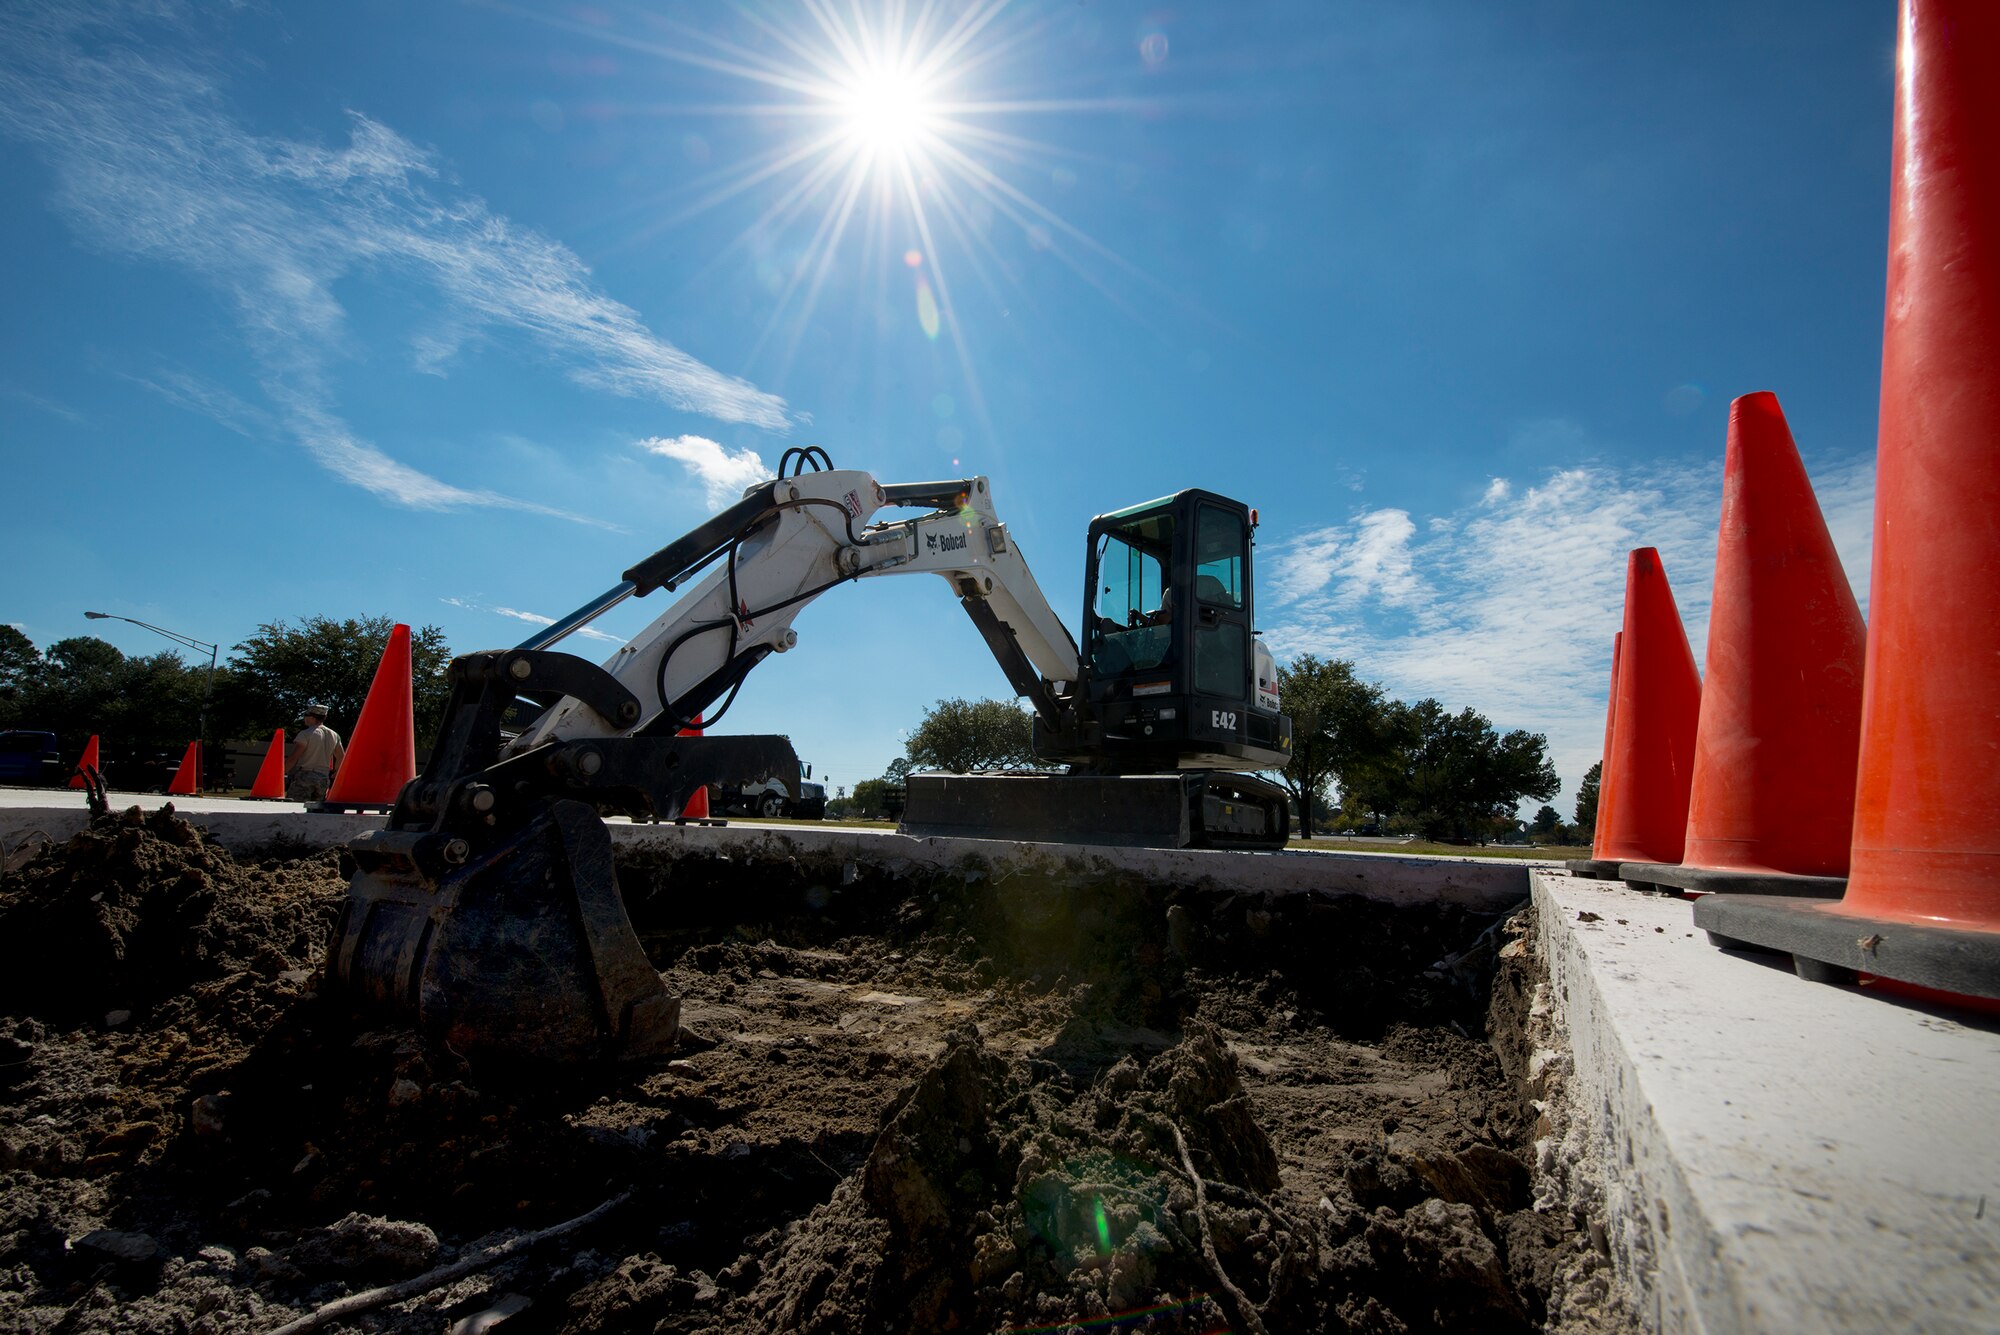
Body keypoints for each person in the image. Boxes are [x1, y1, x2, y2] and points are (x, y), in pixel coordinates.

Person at [285, 703, 344, 803]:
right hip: (323, 778)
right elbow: (341, 756)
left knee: (294, 808)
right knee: (315, 811)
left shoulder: (306, 734)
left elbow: (293, 758)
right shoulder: (334, 735)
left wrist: (281, 772)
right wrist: (336, 772)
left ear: (311, 717)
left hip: (305, 775)